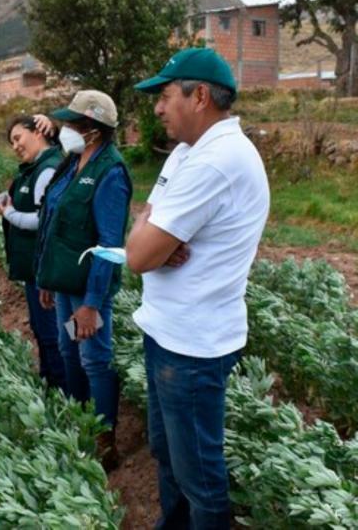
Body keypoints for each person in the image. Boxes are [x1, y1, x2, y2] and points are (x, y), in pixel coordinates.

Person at [127, 48, 270, 528]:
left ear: (200, 96)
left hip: (191, 346)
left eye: (165, 96)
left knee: (201, 479)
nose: (157, 108)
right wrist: (152, 229)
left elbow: (137, 255)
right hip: (168, 332)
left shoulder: (217, 161)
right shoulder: (190, 153)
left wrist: (153, 236)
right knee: (168, 456)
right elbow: (146, 219)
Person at [34, 90, 132, 470]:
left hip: (89, 289)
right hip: (65, 285)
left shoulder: (110, 172)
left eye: (73, 124)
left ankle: (105, 440)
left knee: (94, 357)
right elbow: (53, 221)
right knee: (68, 348)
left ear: (92, 129)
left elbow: (109, 245)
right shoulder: (71, 162)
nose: (65, 129)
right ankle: (80, 424)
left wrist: (92, 303)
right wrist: (48, 277)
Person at [0, 115, 66, 392]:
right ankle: (50, 381)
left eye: (18, 138)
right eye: (11, 142)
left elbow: (42, 220)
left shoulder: (47, 169)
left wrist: (9, 213)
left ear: (38, 132)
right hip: (35, 269)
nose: (15, 146)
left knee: (52, 333)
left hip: (46, 270)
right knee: (42, 329)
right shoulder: (35, 168)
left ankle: (63, 390)